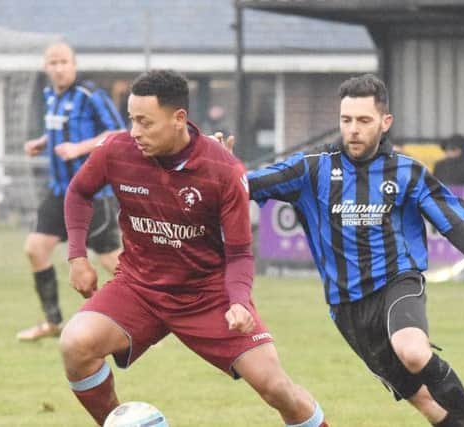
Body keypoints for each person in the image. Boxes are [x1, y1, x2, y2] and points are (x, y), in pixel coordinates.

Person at [224, 74, 464, 426]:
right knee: (425, 401)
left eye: (363, 120)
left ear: (385, 122)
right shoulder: (312, 169)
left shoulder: (407, 172)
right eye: (346, 120)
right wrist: (226, 167)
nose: (353, 129)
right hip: (346, 307)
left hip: (397, 283)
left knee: (413, 352)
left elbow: (452, 224)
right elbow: (242, 186)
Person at [60, 70, 328, 427]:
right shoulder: (116, 151)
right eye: (131, 120)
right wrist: (77, 256)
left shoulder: (223, 169)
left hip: (208, 295)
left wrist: (238, 301)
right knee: (75, 344)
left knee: (277, 389)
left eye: (145, 122)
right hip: (140, 288)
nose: (135, 132)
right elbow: (78, 192)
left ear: (179, 118)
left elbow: (239, 253)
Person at [18, 42, 125, 341]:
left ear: (74, 65)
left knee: (111, 260)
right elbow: (61, 129)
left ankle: (148, 316)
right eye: (53, 62)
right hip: (58, 192)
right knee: (35, 249)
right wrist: (42, 142)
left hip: (90, 193)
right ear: (45, 67)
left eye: (64, 61)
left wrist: (80, 148)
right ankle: (53, 323)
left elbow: (118, 133)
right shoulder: (50, 95)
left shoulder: (91, 96)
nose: (59, 67)